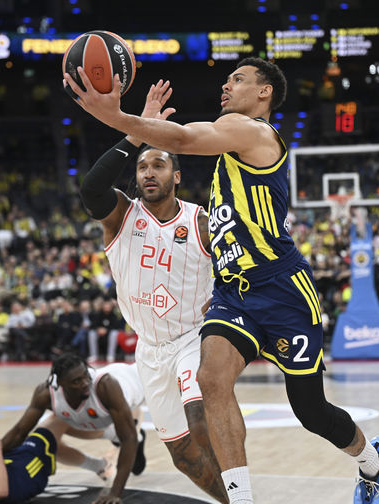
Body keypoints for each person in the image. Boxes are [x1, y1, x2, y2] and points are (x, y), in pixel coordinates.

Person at [65, 56, 379, 504]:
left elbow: (182, 138)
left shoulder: (252, 131)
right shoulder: (228, 155)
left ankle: (371, 460)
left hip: (281, 288)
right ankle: (241, 500)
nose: (225, 86)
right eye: (226, 79)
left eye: (237, 79)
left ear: (264, 92)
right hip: (233, 295)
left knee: (311, 411)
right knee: (211, 379)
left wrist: (117, 117)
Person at [75, 79, 226, 502]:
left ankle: (244, 495)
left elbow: (236, 271)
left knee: (200, 422)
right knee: (183, 456)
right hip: (149, 350)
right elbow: (90, 189)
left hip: (193, 338)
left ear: (176, 176)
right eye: (142, 167)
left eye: (158, 166)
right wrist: (134, 133)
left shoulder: (201, 222)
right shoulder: (121, 215)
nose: (148, 173)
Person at [2, 353, 146, 504]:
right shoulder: (46, 393)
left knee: (129, 437)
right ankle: (101, 465)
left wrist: (115, 493)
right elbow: (19, 432)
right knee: (44, 440)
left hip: (141, 383)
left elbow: (128, 439)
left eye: (86, 376)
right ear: (60, 383)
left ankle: (133, 433)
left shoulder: (105, 386)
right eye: (77, 381)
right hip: (95, 419)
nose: (85, 383)